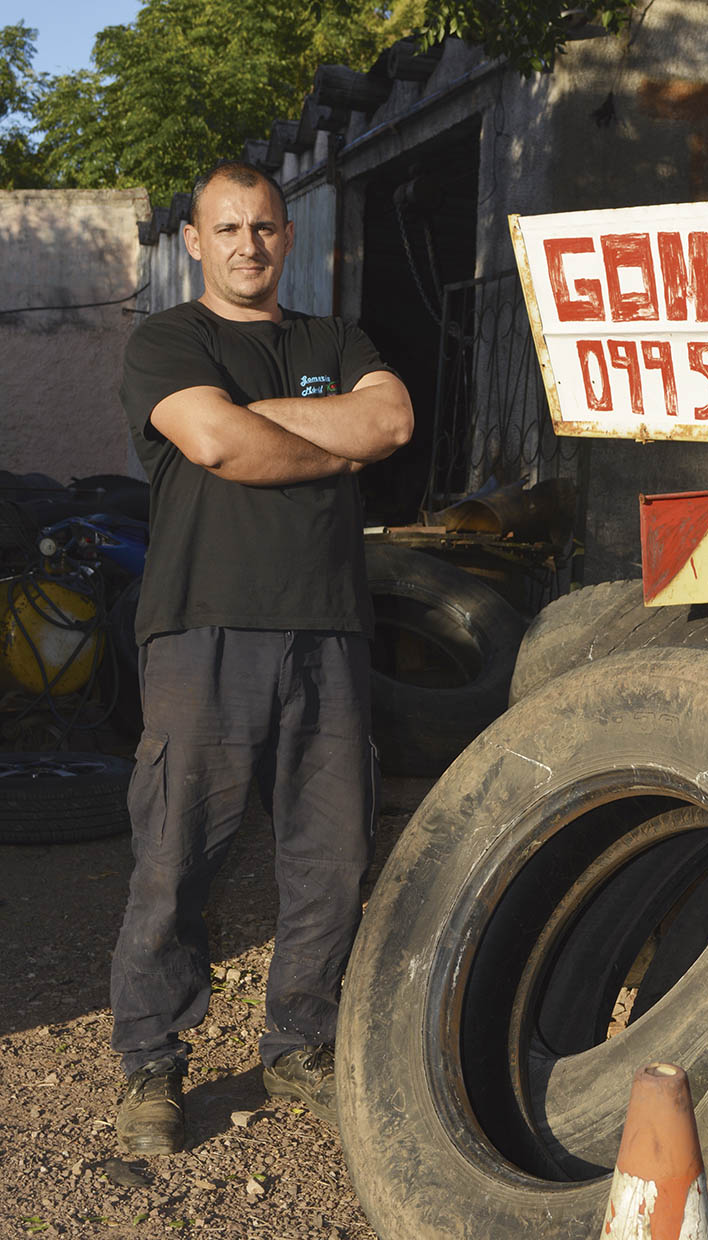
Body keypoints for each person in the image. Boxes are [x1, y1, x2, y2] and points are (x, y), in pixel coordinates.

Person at [110, 159, 413, 1155]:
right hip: (203, 626)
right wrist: (329, 442)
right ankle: (154, 1062)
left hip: (328, 628)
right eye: (228, 228)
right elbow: (213, 445)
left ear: (290, 238)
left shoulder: (333, 336)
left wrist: (261, 425)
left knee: (332, 857)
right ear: (195, 241)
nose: (249, 243)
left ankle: (300, 1045)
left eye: (265, 227)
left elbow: (392, 420)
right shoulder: (167, 339)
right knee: (176, 855)